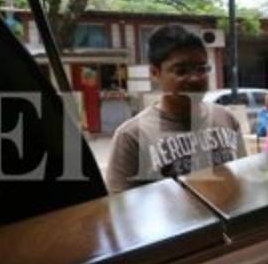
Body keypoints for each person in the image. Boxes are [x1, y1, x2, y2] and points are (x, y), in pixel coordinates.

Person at [105, 25, 246, 193]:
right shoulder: (131, 137)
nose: (195, 79)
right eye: (181, 71)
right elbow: (121, 205)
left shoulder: (226, 119)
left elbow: (242, 179)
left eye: (201, 69)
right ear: (155, 73)